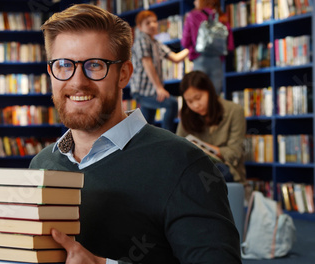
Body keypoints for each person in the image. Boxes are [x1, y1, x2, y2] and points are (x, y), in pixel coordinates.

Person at [30, 4, 240, 263]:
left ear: (124, 74)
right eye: (63, 65)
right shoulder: (41, 165)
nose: (76, 82)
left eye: (95, 65)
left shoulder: (185, 165)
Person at [176, 70, 246, 183]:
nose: (196, 105)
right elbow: (178, 151)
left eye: (198, 98)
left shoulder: (234, 111)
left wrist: (202, 148)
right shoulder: (187, 115)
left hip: (228, 171)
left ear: (209, 91)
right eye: (189, 101)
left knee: (211, 172)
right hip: (195, 170)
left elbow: (235, 154)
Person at [130, 10, 189, 132]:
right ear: (140, 27)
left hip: (152, 91)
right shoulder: (142, 40)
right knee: (171, 104)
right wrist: (159, 88)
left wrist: (192, 47)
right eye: (148, 23)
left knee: (147, 126)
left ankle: (146, 145)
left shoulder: (156, 43)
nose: (153, 25)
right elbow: (147, 64)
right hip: (143, 91)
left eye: (154, 21)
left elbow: (176, 58)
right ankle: (168, 136)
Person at [181, 0, 234, 95]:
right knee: (215, 95)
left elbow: (185, 42)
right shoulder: (221, 16)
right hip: (217, 59)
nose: (194, 2)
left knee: (200, 93)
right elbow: (229, 44)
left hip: (199, 58)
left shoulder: (192, 16)